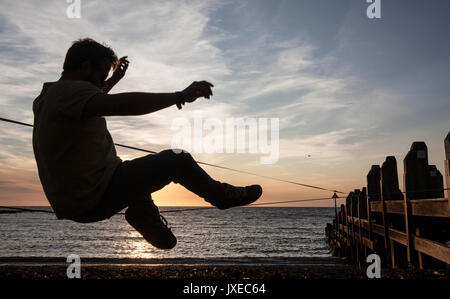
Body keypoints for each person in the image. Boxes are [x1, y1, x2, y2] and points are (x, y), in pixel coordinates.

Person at [32, 38, 263, 250]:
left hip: (72, 202)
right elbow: (116, 105)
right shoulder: (71, 92)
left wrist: (113, 80)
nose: (103, 81)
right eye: (101, 74)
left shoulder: (47, 96)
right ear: (84, 67)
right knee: (176, 160)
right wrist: (179, 96)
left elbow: (90, 98)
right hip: (96, 194)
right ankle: (221, 196)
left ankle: (143, 212)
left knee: (134, 172)